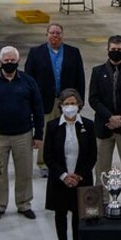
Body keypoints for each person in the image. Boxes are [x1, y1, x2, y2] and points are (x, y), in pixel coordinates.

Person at [0, 46, 44, 221]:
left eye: (12, 61)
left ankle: (24, 203)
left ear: (18, 61)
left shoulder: (28, 81)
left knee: (25, 172)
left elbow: (38, 108)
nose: (9, 64)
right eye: (6, 61)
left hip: (23, 134)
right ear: (0, 61)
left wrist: (39, 135)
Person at [44, 89, 97, 240]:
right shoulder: (52, 127)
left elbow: (92, 156)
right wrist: (65, 176)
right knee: (60, 215)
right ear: (60, 106)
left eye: (73, 103)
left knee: (79, 215)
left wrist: (78, 176)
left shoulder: (88, 126)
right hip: (60, 181)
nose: (70, 107)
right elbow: (48, 156)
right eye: (66, 104)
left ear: (79, 105)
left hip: (81, 180)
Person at [24, 23, 86, 178]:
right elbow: (28, 78)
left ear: (62, 35)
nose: (55, 36)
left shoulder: (73, 52)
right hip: (45, 100)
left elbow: (80, 78)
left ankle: (65, 162)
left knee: (67, 131)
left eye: (58, 33)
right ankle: (44, 163)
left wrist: (79, 101)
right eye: (52, 33)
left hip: (67, 100)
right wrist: (30, 100)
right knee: (45, 132)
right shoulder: (35, 53)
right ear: (47, 35)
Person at [87, 35, 121, 201]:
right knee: (101, 169)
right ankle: (102, 199)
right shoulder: (97, 72)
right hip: (104, 128)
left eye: (119, 50)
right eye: (113, 50)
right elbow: (93, 99)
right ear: (107, 50)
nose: (116, 52)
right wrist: (110, 117)